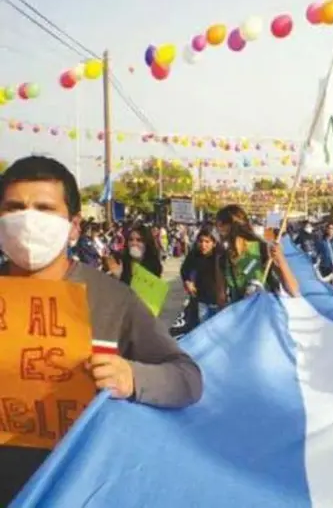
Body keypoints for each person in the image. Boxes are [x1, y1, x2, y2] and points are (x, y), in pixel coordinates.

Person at [0, 156, 203, 505]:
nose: (28, 221)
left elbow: (188, 378)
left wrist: (132, 377)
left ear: (74, 226)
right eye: (15, 208)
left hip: (72, 487)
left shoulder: (113, 299)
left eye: (45, 209)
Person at [214, 205, 299, 299]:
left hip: (265, 306)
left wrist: (280, 259)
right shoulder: (222, 258)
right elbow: (221, 298)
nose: (218, 230)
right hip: (240, 308)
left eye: (220, 224)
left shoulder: (262, 249)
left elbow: (293, 290)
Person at [180, 225, 226, 322]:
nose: (203, 245)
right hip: (201, 300)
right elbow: (184, 270)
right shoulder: (194, 254)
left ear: (214, 243)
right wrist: (187, 282)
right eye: (200, 241)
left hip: (218, 302)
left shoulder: (221, 256)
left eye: (207, 241)